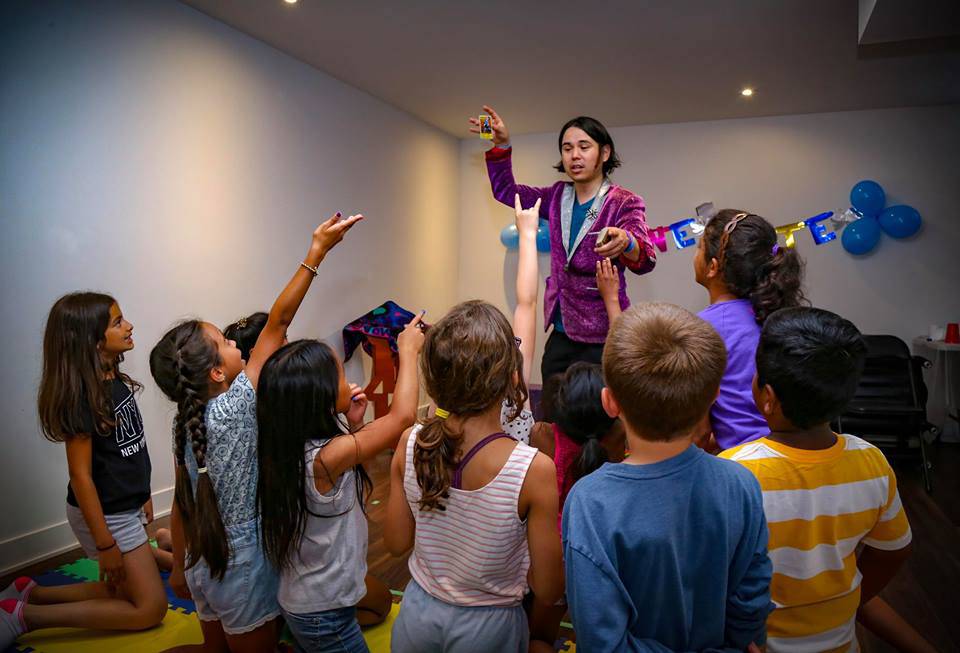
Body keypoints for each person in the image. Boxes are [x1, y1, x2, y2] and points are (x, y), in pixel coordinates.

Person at [149, 212, 362, 652]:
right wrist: (315, 253)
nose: (235, 345)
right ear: (215, 371)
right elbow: (278, 323)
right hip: (244, 562)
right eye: (226, 345)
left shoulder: (183, 423)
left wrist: (179, 567)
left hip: (202, 559)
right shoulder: (234, 405)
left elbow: (182, 502)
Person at [563, 302, 772, 651]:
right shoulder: (741, 484)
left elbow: (601, 640)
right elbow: (751, 597)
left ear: (609, 402)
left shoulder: (590, 502)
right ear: (712, 398)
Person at [721, 307, 915, 653]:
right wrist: (851, 595)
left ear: (767, 398)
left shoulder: (731, 473)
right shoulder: (872, 462)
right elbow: (894, 550)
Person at [386, 301, 563, 652]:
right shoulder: (532, 469)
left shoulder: (409, 444)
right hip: (488, 628)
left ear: (434, 379)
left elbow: (394, 542)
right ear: (512, 378)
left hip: (416, 616)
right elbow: (549, 588)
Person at [2, 293, 166, 649]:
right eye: (117, 322)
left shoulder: (112, 378)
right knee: (150, 608)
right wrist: (105, 543)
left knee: (121, 591)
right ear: (92, 341)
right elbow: (81, 477)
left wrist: (144, 495)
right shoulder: (82, 398)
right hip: (107, 517)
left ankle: (31, 594)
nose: (129, 325)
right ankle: (24, 618)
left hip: (124, 508)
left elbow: (131, 449)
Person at [255, 315, 424, 652]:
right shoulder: (325, 456)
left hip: (310, 602)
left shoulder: (290, 445)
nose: (348, 384)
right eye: (342, 376)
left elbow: (341, 487)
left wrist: (352, 425)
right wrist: (407, 351)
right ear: (318, 396)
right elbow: (403, 417)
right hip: (323, 613)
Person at [471, 105, 657, 381]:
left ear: (604, 153)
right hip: (562, 328)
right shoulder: (557, 195)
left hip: (604, 331)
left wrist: (627, 241)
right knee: (552, 410)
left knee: (600, 415)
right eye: (567, 148)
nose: (575, 155)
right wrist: (502, 146)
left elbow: (646, 260)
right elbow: (506, 192)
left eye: (584, 146)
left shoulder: (624, 202)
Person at [693, 210, 805, 451]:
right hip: (790, 451)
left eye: (699, 247)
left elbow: (700, 435)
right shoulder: (779, 314)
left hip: (743, 463)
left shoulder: (702, 329)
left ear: (712, 267)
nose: (695, 255)